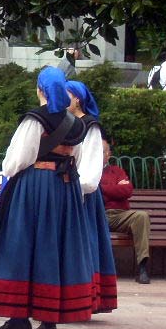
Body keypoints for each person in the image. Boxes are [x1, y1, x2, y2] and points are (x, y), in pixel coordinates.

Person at [0, 66, 95, 329]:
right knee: (56, 247)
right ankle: (49, 318)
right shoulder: (76, 123)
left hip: (34, 188)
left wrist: (12, 171)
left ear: (41, 90)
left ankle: (18, 317)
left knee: (21, 245)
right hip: (65, 189)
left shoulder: (35, 120)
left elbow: (15, 161)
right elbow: (77, 159)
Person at [66, 81, 117, 313]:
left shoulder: (90, 127)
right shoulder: (66, 124)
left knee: (86, 244)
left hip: (84, 195)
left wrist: (78, 188)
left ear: (77, 98)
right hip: (69, 191)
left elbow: (91, 168)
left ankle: (89, 297)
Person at [99, 135, 152, 284]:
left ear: (108, 155)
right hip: (95, 215)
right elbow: (86, 190)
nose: (98, 154)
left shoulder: (117, 171)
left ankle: (142, 268)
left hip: (118, 215)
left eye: (102, 151)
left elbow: (127, 190)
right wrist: (114, 190)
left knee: (141, 216)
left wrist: (101, 189)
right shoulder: (86, 170)